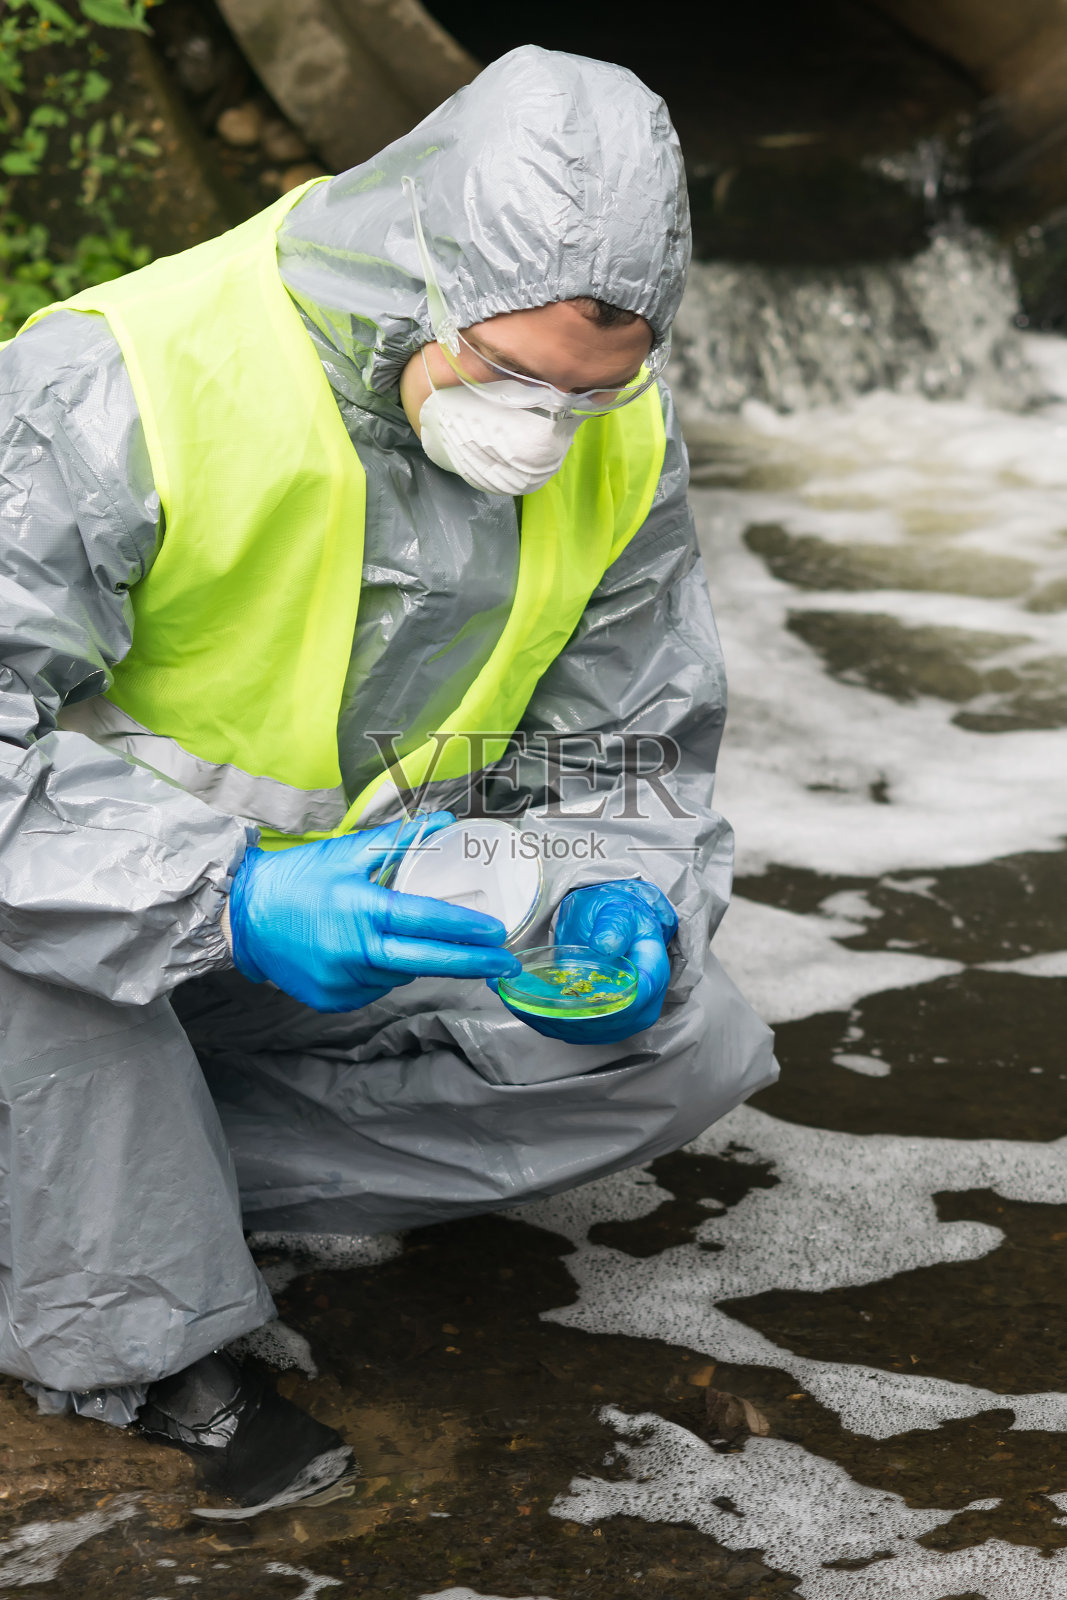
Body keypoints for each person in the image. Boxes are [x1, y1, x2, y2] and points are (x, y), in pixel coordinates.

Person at [0, 44, 775, 1513]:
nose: (543, 431)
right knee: (34, 946)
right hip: (78, 935)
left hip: (309, 944)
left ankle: (100, 1200)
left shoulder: (615, 440)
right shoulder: (124, 382)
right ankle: (140, 1330)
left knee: (688, 1038)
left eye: (588, 396)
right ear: (418, 269)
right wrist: (226, 890)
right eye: (507, 375)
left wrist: (621, 888)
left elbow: (626, 746)